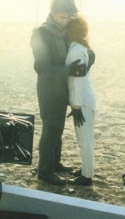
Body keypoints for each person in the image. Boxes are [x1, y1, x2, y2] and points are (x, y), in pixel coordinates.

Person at [30, 0, 92, 185]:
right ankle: (45, 171)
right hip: (49, 90)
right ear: (53, 12)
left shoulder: (65, 30)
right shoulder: (41, 33)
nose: (65, 21)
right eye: (62, 17)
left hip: (63, 88)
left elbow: (77, 48)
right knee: (50, 128)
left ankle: (55, 163)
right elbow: (41, 67)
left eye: (68, 17)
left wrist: (91, 56)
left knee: (59, 128)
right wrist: (68, 70)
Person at [66, 14, 96, 186]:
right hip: (84, 99)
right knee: (84, 138)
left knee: (85, 139)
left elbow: (80, 80)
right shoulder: (80, 46)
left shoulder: (76, 49)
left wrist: (77, 106)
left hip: (83, 100)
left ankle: (87, 176)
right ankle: (87, 168)